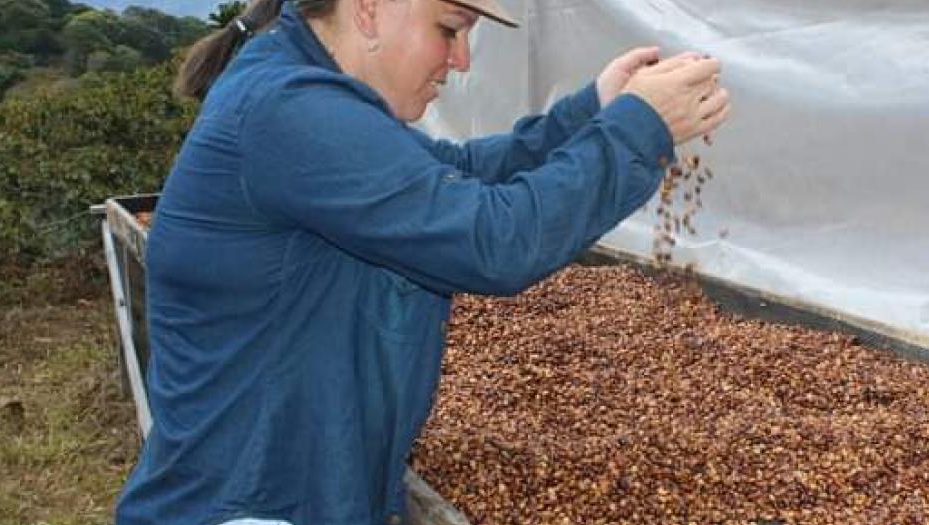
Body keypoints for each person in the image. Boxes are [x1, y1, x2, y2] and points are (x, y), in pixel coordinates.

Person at [112, 0, 730, 522]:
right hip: (252, 503)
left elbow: (454, 175)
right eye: (449, 30)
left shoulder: (306, 95)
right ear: (370, 9)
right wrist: (637, 128)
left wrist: (593, 108)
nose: (460, 62)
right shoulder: (287, 109)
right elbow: (494, 241)